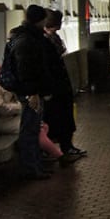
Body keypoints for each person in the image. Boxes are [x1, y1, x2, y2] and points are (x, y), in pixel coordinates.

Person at [0, 62, 65, 162]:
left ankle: (40, 152)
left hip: (8, 119)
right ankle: (57, 154)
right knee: (34, 129)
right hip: (1, 122)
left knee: (42, 126)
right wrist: (19, 107)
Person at [7, 4, 56, 180]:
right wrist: (32, 93)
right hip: (30, 93)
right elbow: (26, 69)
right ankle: (31, 168)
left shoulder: (27, 36)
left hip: (33, 91)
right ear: (40, 20)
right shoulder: (27, 40)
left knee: (34, 128)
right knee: (30, 129)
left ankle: (36, 165)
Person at [43, 10, 85, 159]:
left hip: (58, 86)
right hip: (54, 86)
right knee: (58, 117)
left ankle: (64, 146)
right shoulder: (45, 41)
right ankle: (60, 148)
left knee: (63, 117)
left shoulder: (52, 38)